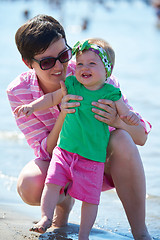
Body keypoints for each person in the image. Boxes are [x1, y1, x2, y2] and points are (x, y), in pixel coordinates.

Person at [7, 14, 152, 240]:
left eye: (64, 55)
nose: (60, 67)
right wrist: (64, 114)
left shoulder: (92, 72)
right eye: (47, 62)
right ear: (29, 63)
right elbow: (44, 151)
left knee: (122, 138)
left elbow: (141, 138)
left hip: (99, 162)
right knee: (30, 184)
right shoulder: (19, 92)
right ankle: (62, 208)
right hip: (63, 160)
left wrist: (116, 120)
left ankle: (141, 232)